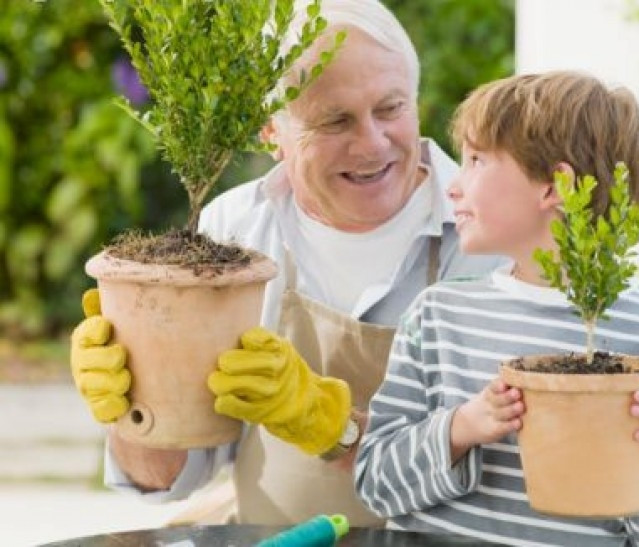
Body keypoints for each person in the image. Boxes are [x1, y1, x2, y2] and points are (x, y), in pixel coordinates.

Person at [69, 0, 505, 527]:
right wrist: (135, 408)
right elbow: (167, 477)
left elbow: (504, 471)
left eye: (390, 109)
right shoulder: (234, 233)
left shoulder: (491, 237)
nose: (372, 142)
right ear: (269, 132)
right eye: (335, 120)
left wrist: (329, 425)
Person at [354, 71, 639, 546]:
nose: (453, 187)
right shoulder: (437, 315)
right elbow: (375, 485)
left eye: (477, 161)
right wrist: (463, 427)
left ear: (555, 187)